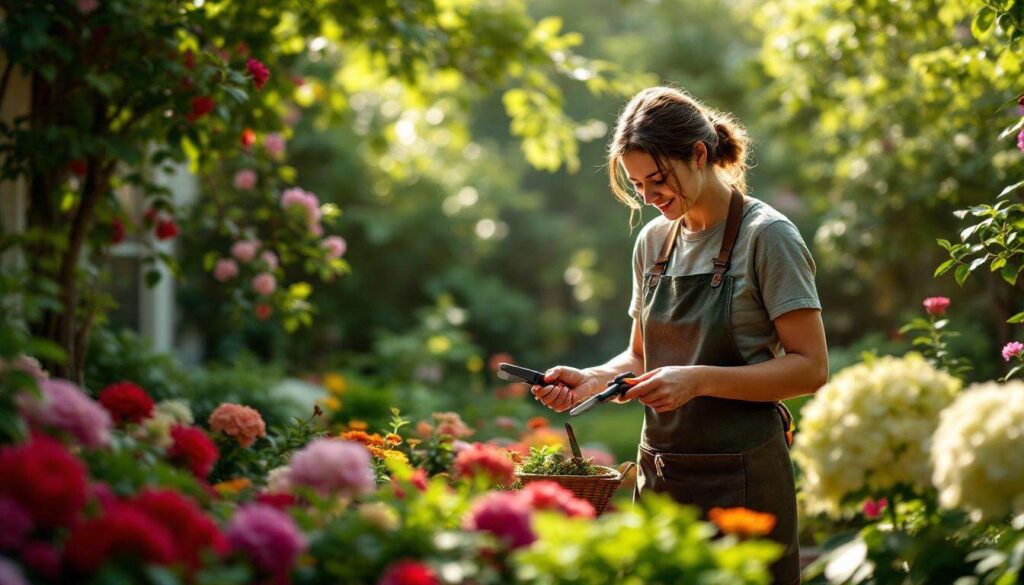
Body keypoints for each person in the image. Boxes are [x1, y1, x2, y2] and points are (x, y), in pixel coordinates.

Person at [530, 86, 828, 585]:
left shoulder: (768, 237)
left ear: (698, 154)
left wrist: (697, 381)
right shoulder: (653, 242)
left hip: (744, 481)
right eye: (637, 184)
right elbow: (639, 355)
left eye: (657, 179)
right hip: (662, 475)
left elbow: (811, 368)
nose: (648, 197)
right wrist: (592, 378)